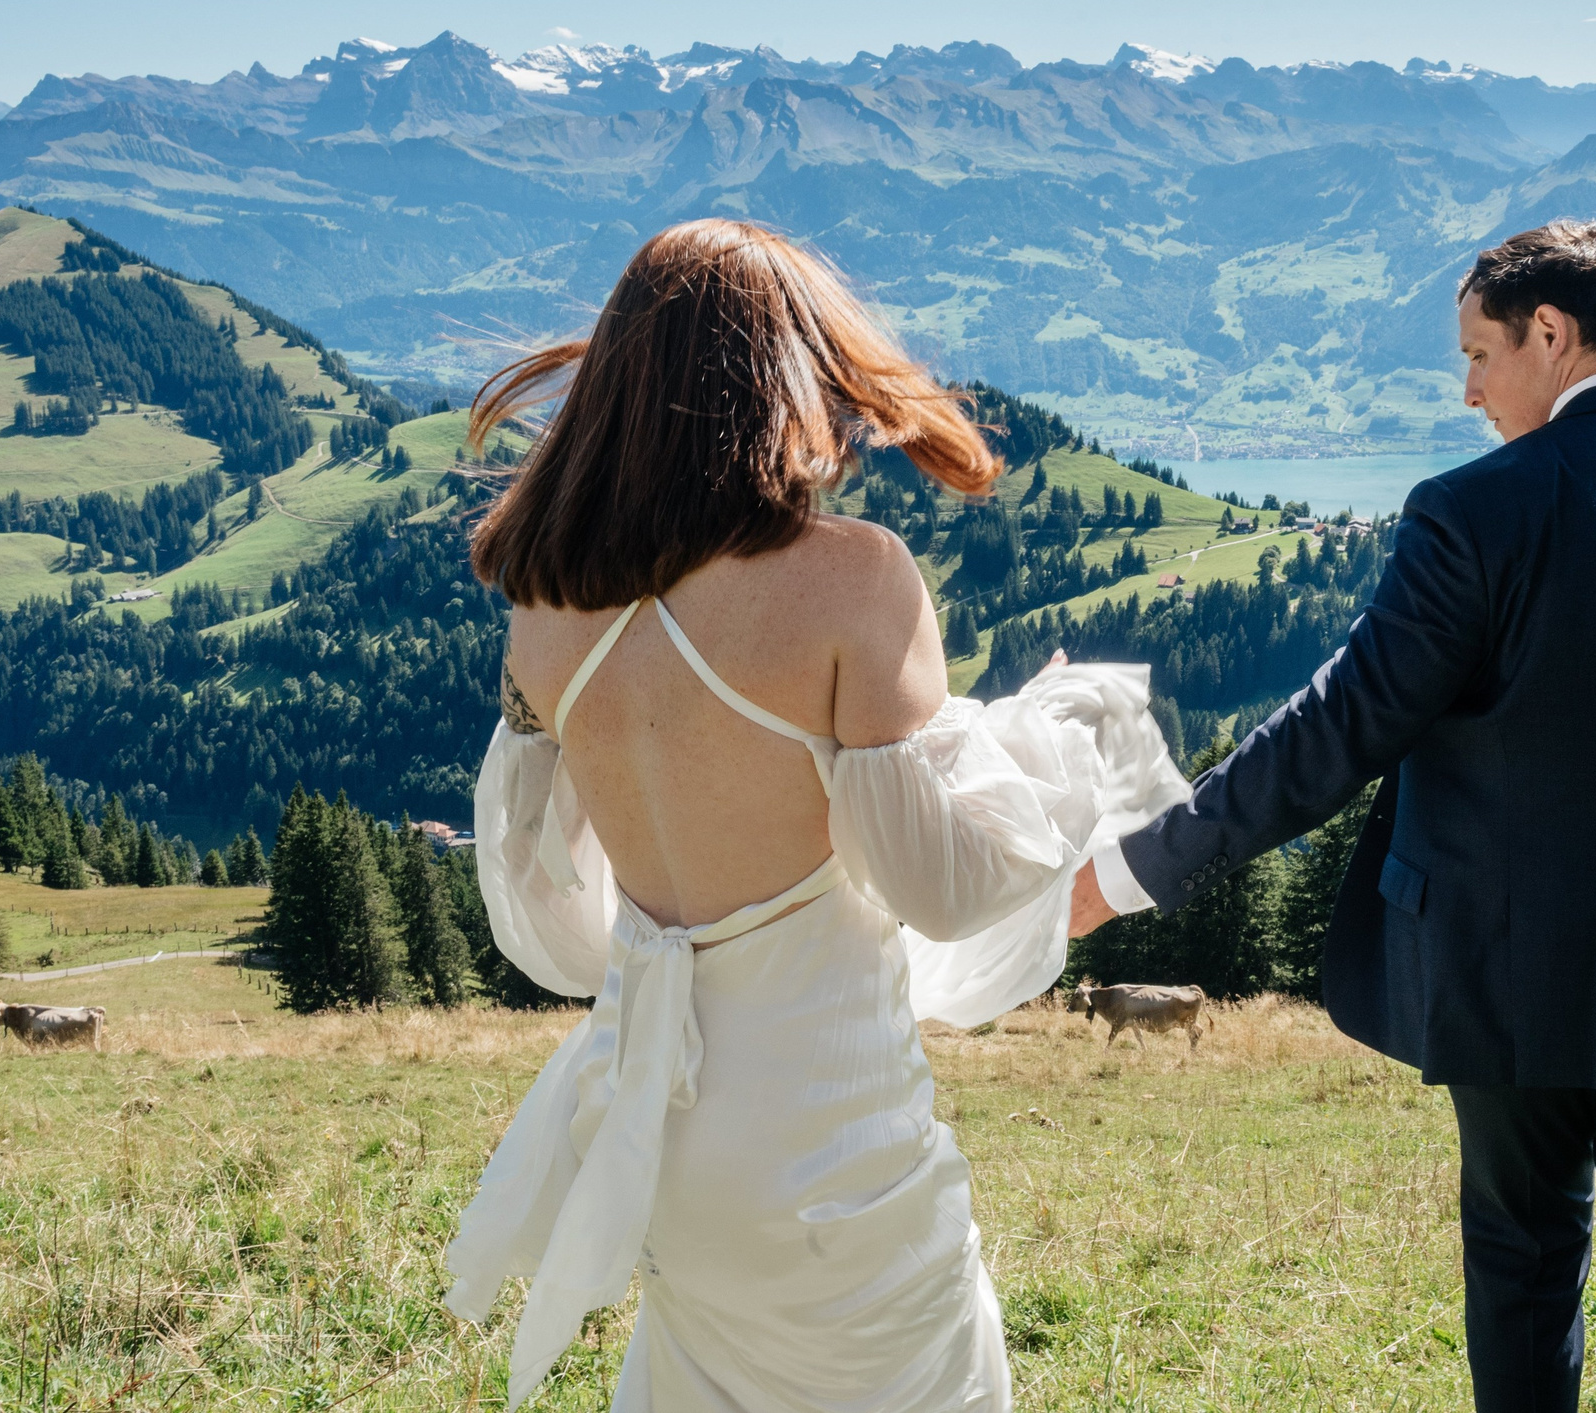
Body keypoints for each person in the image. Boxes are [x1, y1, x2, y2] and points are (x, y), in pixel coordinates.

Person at [1071, 219, 1596, 1412]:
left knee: (1522, 1273)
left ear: (1551, 333)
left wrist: (1118, 875)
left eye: (1478, 354)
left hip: (1507, 967)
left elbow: (1334, 733)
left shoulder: (1474, 514)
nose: (1469, 390)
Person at [446, 218, 1188, 1411]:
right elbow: (937, 887)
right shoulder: (852, 577)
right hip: (827, 1136)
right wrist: (1050, 732)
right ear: (783, 378)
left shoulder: (544, 615)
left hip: (663, 1128)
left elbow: (551, 913)